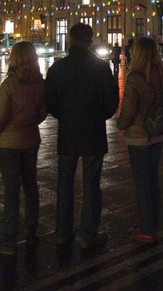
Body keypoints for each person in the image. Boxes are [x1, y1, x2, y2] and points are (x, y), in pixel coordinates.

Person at [45, 23, 119, 250]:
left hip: (68, 133)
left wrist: (65, 115)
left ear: (69, 39)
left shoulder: (58, 68)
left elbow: (50, 103)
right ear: (90, 41)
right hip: (93, 133)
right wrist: (98, 116)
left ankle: (63, 232)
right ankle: (88, 234)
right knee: (91, 184)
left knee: (65, 183)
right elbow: (111, 103)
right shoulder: (101, 67)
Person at [0, 41, 47, 255]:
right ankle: (32, 232)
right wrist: (29, 124)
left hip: (9, 143)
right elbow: (43, 112)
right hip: (31, 139)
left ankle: (9, 240)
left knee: (11, 190)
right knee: (31, 186)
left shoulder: (9, 85)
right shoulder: (40, 82)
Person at [117, 37, 163, 244]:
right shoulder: (162, 75)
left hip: (139, 136)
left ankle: (147, 230)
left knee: (142, 183)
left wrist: (121, 124)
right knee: (152, 179)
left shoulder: (135, 78)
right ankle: (152, 223)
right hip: (158, 133)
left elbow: (129, 109)